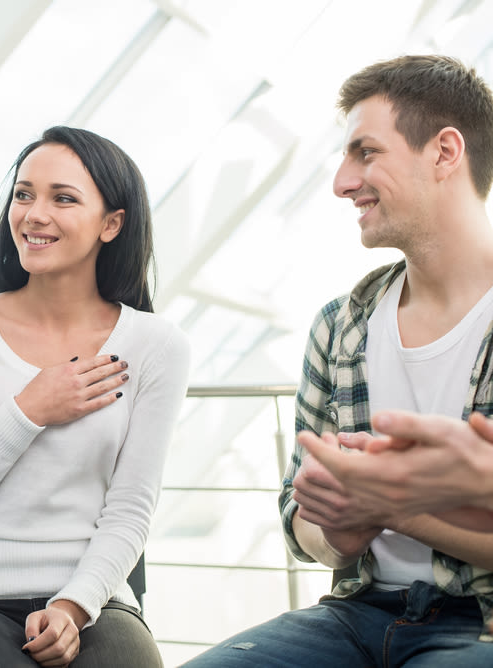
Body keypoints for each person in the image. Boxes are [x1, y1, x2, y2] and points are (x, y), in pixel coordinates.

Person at [183, 55, 493, 667]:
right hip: (355, 615)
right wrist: (340, 533)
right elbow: (303, 525)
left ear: (444, 152)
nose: (342, 182)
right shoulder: (341, 324)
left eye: (366, 152)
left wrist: (396, 509)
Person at [0, 126, 191, 667]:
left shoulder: (156, 345)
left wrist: (72, 605)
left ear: (112, 224)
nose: (34, 214)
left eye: (63, 198)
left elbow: (130, 511)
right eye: (23, 194)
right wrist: (28, 410)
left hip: (97, 603)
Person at [301, 409, 493, 532]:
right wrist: (335, 542)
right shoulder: (333, 344)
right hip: (361, 590)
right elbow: (295, 512)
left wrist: (383, 507)